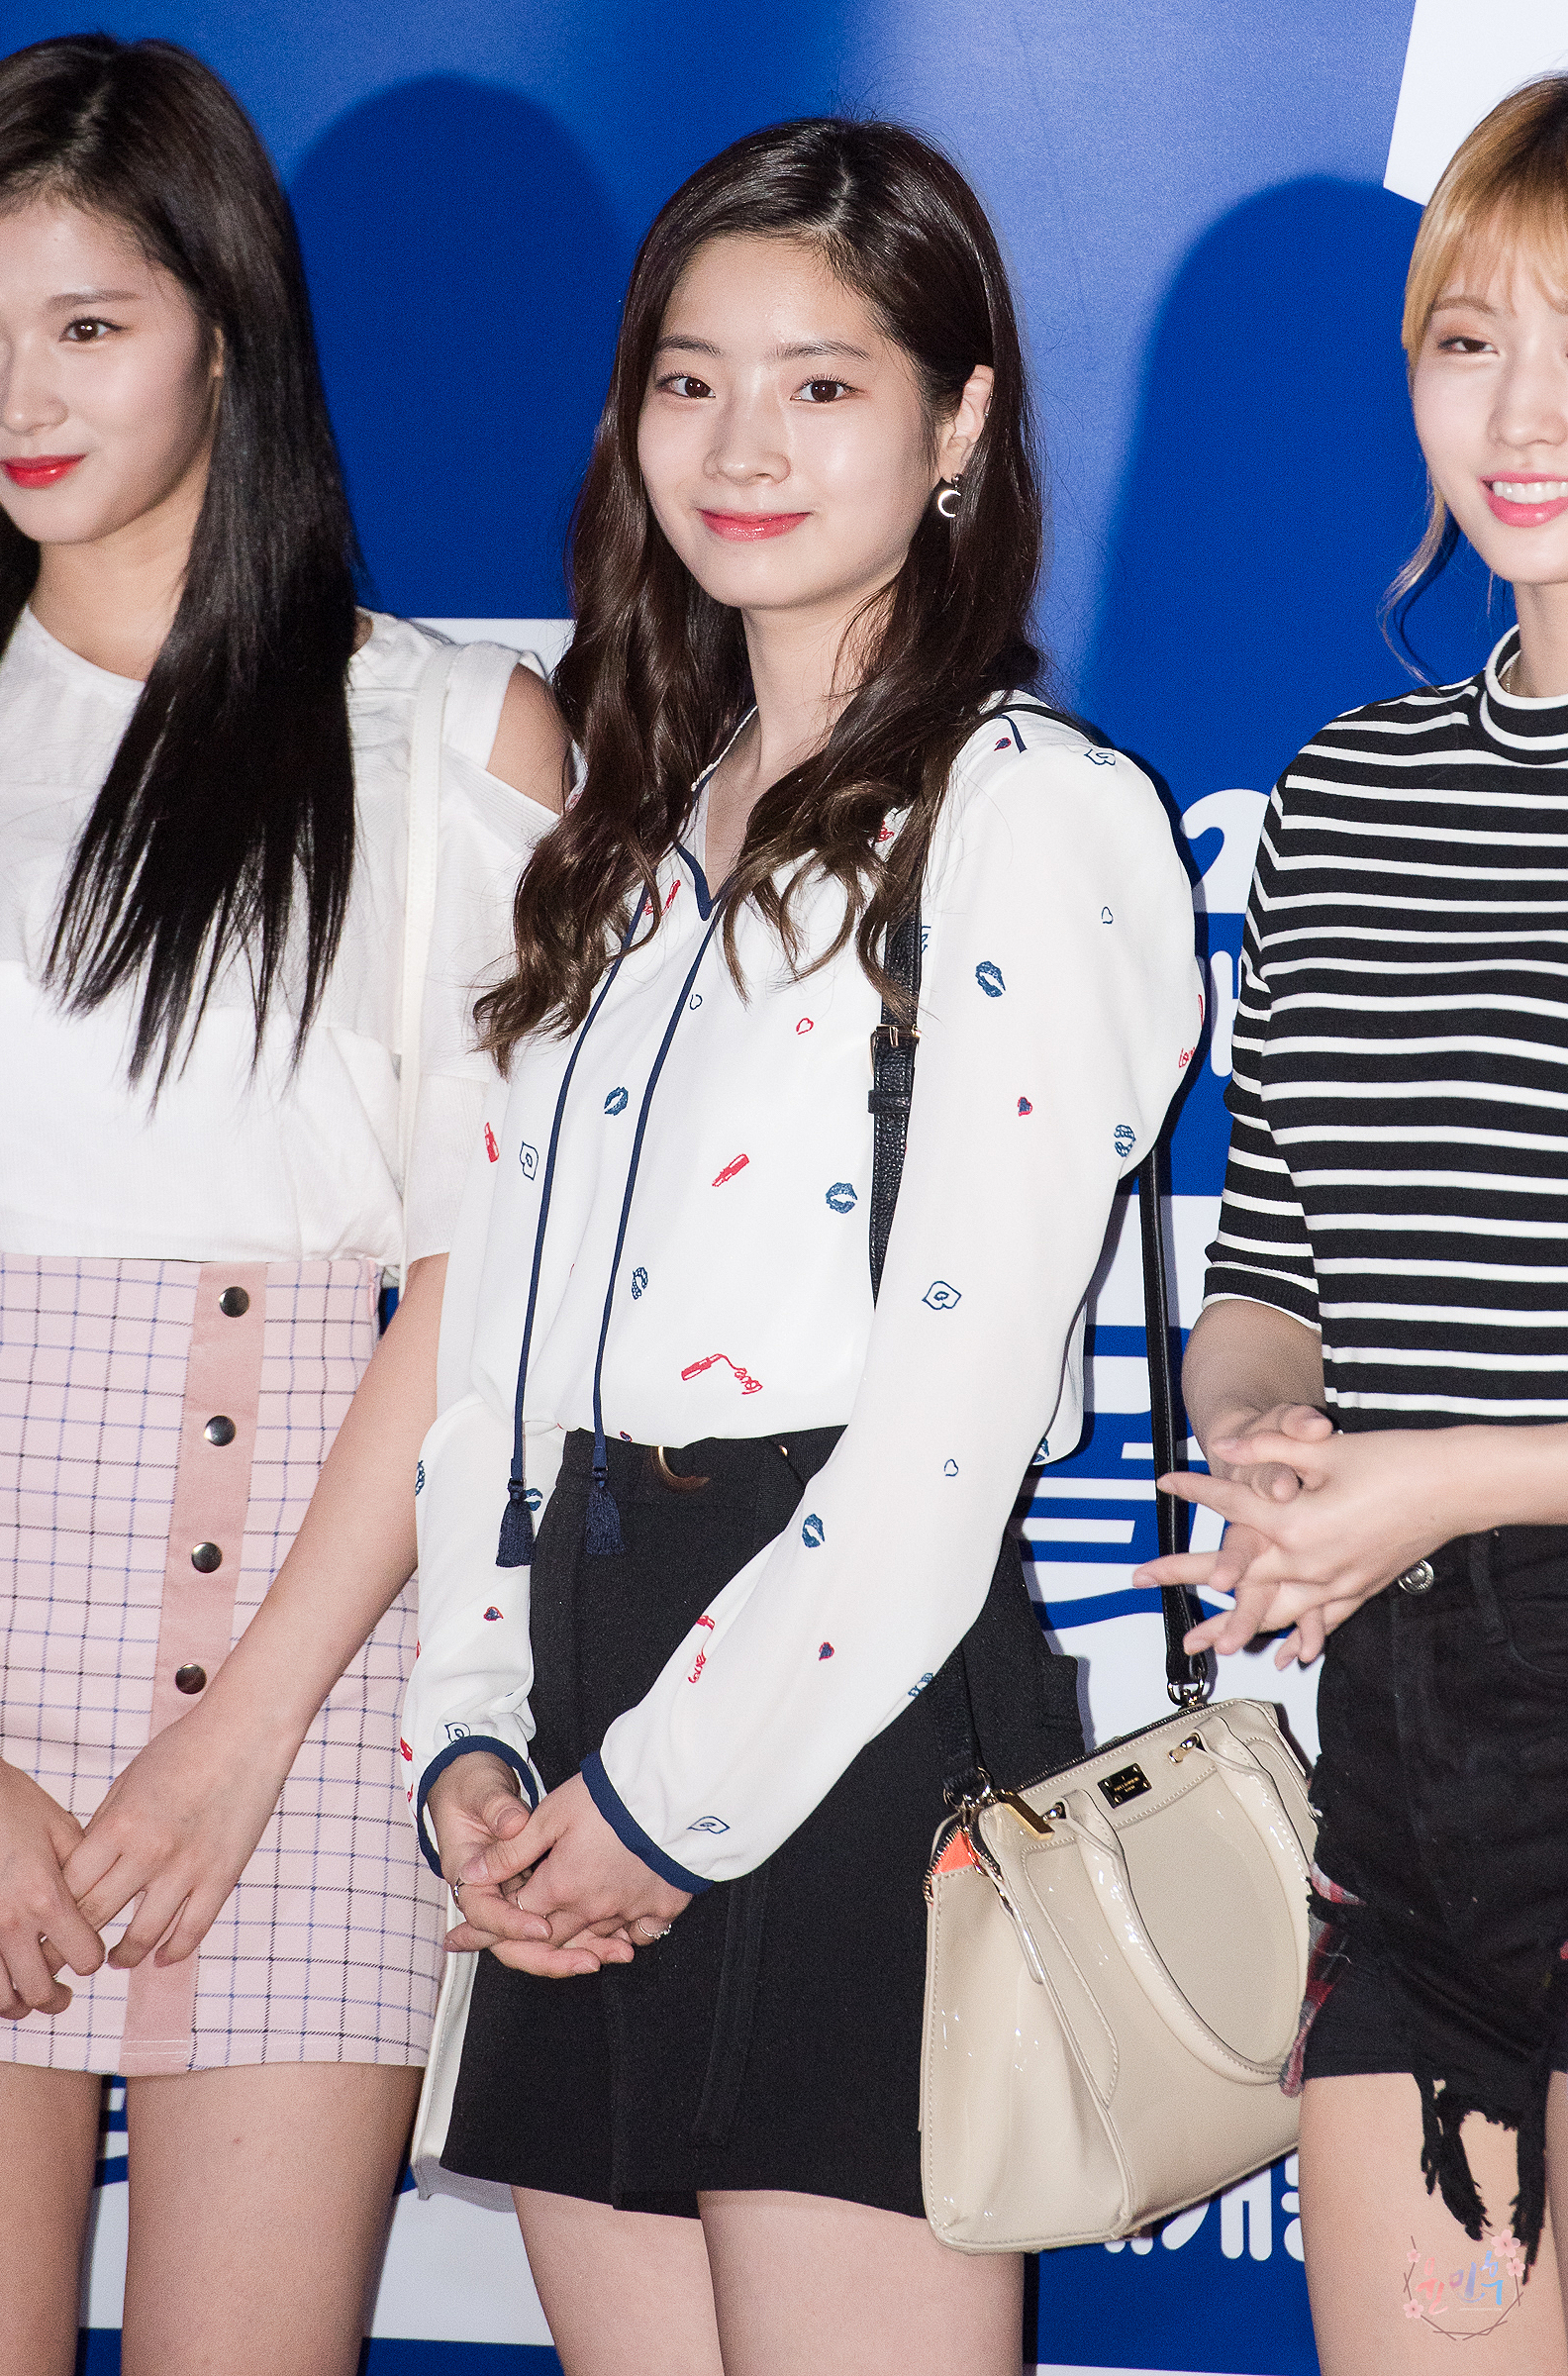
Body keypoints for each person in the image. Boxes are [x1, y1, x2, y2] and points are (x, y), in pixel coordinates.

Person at [406, 117, 1201, 2376]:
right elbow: (504, 1356)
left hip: (853, 1709)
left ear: (958, 425)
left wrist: (669, 1803)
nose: (741, 444)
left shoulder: (1031, 817)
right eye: (690, 380)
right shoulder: (625, 841)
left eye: (824, 383)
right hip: (582, 1696)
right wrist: (472, 1734)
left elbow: (948, 1429)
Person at [0, 35, 565, 2376]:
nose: (20, 395)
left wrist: (239, 1742)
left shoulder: (444, 735)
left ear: (225, 326)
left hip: (314, 1669)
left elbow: (473, 1279)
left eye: (85, 324)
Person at [1134, 75, 1568, 2376]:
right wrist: (1272, 1436)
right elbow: (1272, 1273)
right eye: (1472, 341)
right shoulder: (1350, 791)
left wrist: (1446, 1480)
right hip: (1419, 1762)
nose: (1524, 414)